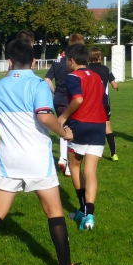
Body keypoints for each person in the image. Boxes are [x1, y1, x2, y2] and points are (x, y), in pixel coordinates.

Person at [0, 38, 87, 265]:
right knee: (54, 213)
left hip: (9, 160)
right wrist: (63, 132)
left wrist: (7, 120)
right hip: (37, 159)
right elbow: (44, 117)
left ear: (9, 61)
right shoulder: (39, 85)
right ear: (34, 61)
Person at [57, 43, 106, 231]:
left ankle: (83, 209)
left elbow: (78, 99)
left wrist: (63, 117)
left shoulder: (72, 76)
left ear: (71, 60)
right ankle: (89, 215)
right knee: (91, 171)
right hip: (99, 125)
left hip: (80, 125)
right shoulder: (97, 76)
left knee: (75, 166)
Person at [44, 33, 85, 177]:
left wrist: (55, 91)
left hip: (58, 99)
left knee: (63, 127)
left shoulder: (58, 59)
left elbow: (47, 79)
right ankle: (68, 163)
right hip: (72, 98)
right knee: (73, 131)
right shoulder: (78, 61)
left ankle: (62, 158)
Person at [88, 47, 120, 160]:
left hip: (90, 102)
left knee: (91, 126)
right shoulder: (106, 69)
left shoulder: (86, 69)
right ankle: (113, 154)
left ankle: (95, 152)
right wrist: (117, 87)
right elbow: (114, 85)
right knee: (107, 127)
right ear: (100, 57)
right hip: (104, 102)